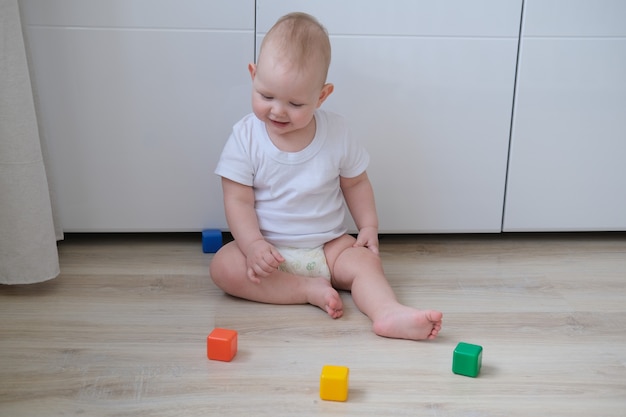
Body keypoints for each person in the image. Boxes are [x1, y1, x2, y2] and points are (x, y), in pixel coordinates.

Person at [210, 12, 442, 340]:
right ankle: (304, 290)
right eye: (266, 96)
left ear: (321, 96)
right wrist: (252, 245)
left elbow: (356, 182)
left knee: (366, 265)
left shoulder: (337, 133)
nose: (277, 110)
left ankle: (387, 312)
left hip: (328, 247)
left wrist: (368, 227)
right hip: (268, 250)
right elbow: (237, 198)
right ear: (253, 75)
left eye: (295, 103)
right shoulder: (246, 137)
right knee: (224, 266)